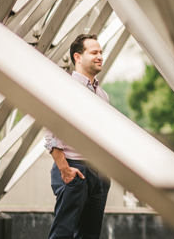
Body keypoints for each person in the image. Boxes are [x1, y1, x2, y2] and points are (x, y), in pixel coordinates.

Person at [45, 34, 111, 239]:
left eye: (100, 52)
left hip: (97, 172)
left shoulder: (102, 94)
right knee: (63, 234)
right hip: (74, 169)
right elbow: (51, 132)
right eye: (94, 52)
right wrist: (64, 169)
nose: (100, 56)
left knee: (90, 235)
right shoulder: (65, 88)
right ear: (78, 57)